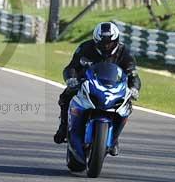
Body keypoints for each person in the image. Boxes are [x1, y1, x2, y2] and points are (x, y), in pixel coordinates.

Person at [53, 21, 141, 156]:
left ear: (116, 41)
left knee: (127, 107)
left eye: (109, 43)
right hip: (88, 82)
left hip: (113, 87)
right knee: (66, 96)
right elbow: (71, 67)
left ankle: (114, 138)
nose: (106, 46)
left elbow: (133, 74)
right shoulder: (85, 48)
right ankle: (63, 126)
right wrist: (71, 79)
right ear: (96, 41)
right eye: (103, 43)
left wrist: (134, 88)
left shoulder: (124, 52)